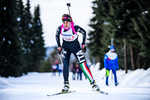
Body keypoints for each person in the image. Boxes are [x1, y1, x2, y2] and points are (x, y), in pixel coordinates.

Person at [56, 14, 100, 93]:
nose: (65, 24)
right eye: (64, 22)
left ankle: (93, 84)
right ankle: (66, 84)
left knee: (83, 65)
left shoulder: (75, 27)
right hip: (65, 47)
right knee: (65, 65)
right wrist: (59, 46)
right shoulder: (60, 28)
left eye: (67, 22)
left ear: (70, 22)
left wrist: (83, 44)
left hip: (76, 47)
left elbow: (84, 32)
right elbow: (56, 35)